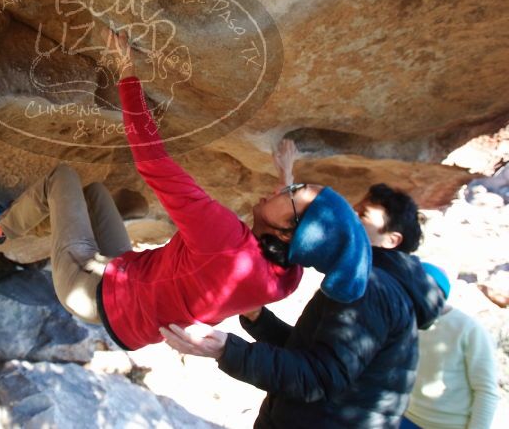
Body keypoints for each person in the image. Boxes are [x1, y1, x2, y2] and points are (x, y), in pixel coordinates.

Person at [0, 29, 371, 351]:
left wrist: (125, 69)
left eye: (292, 193)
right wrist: (286, 175)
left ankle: (3, 228)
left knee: (63, 177)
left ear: (288, 231)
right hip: (131, 298)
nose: (282, 190)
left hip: (90, 294)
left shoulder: (225, 240)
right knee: (97, 192)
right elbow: (293, 225)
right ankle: (52, 230)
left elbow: (152, 161)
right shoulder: (287, 276)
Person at [161, 171, 446, 427]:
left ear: (391, 240)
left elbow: (318, 376)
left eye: (362, 216)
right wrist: (260, 320)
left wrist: (225, 350)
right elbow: (315, 354)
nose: (349, 217)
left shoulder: (369, 288)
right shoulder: (365, 282)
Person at [401, 262, 500, 429]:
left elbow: (486, 391)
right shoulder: (407, 320)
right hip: (408, 417)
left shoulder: (469, 329)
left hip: (449, 424)